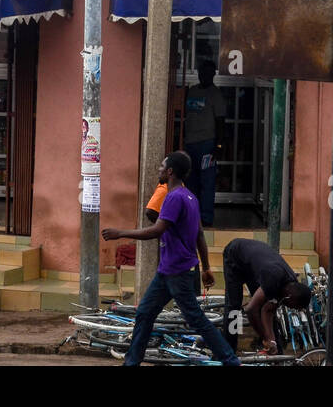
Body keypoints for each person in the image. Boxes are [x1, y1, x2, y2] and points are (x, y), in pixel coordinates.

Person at [102, 151, 240, 366]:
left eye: (162, 166)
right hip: (168, 271)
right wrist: (205, 267)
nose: (159, 169)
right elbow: (200, 235)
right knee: (145, 313)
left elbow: (156, 230)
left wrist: (120, 233)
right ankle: (131, 362)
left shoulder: (174, 197)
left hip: (177, 270)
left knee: (195, 318)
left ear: (170, 172)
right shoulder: (190, 197)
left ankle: (230, 360)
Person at [220, 238, 311, 353]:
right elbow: (250, 309)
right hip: (235, 256)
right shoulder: (273, 280)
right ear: (290, 297)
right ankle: (229, 351)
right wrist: (265, 337)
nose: (290, 308)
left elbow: (268, 310)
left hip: (254, 264)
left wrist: (271, 340)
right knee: (234, 308)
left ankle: (277, 352)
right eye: (293, 306)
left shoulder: (290, 285)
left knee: (265, 309)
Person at [182, 60, 226, 227]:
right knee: (190, 182)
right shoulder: (192, 91)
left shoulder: (216, 94)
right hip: (190, 144)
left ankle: (206, 218)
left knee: (207, 182)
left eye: (208, 73)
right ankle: (191, 216)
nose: (204, 76)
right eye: (202, 73)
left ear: (213, 75)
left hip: (207, 144)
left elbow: (221, 121)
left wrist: (219, 145)